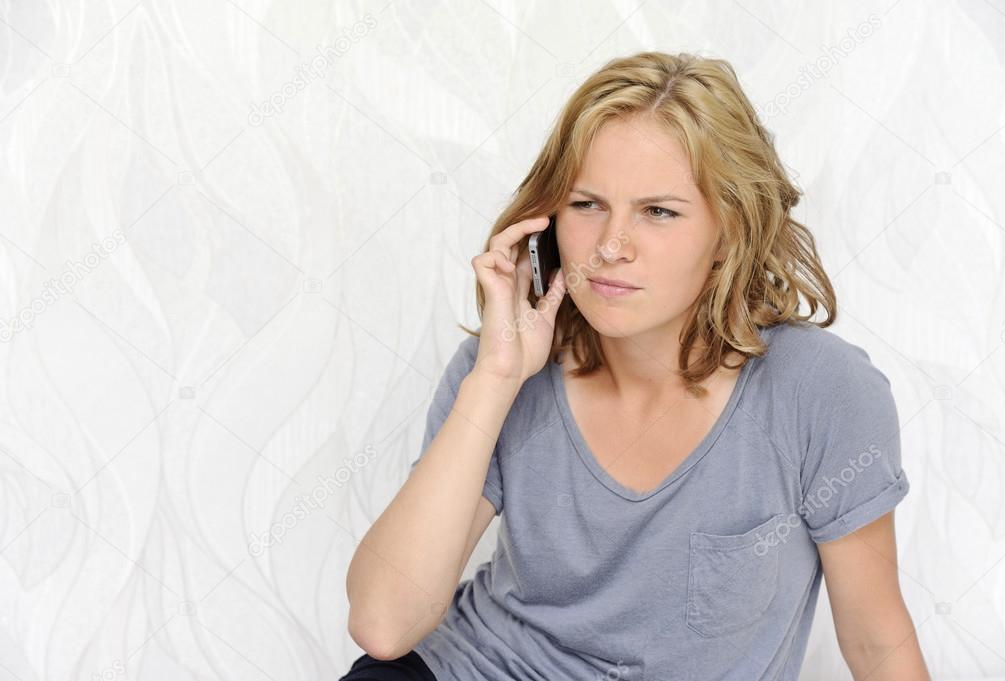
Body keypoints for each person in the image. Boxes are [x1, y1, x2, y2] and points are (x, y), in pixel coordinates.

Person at [341, 50, 930, 680]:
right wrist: (494, 381)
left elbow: (875, 642)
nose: (611, 247)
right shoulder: (498, 367)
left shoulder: (821, 392)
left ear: (728, 231)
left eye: (659, 211)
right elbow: (383, 624)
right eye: (587, 204)